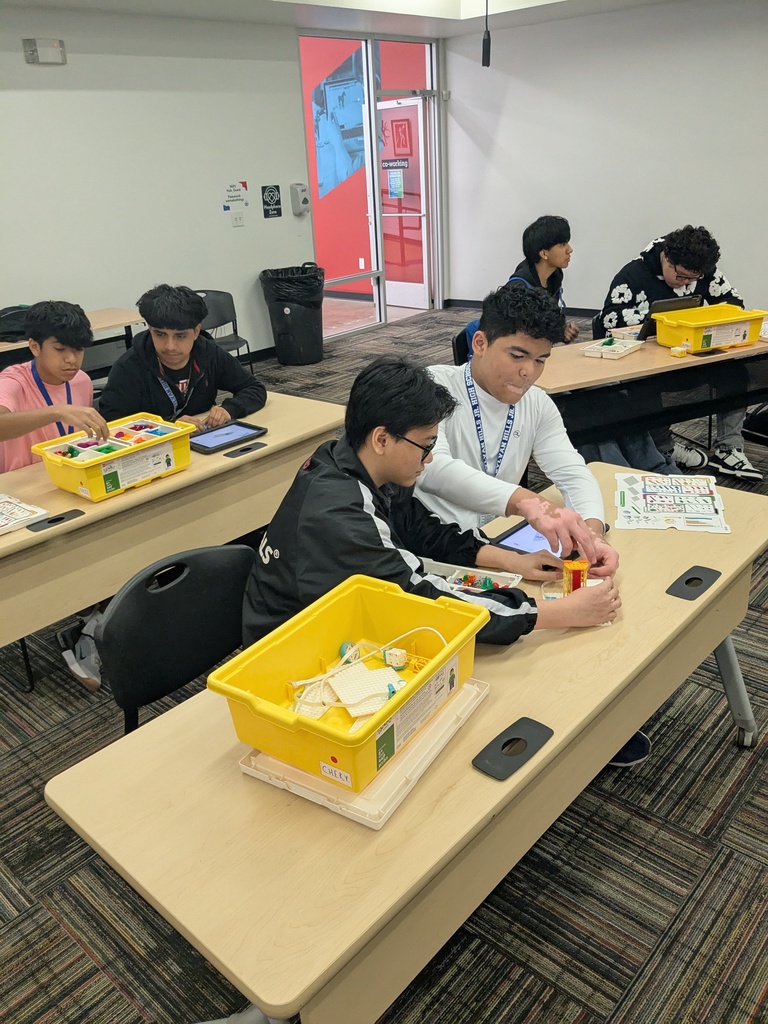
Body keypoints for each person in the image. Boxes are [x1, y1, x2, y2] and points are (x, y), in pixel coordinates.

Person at [243, 357, 621, 652]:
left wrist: (513, 561)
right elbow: (425, 600)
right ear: (381, 439)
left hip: (335, 621)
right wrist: (557, 613)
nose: (429, 458)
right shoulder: (340, 514)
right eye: (426, 445)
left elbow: (423, 530)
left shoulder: (350, 459)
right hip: (295, 650)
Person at [418, 282, 618, 578]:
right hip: (437, 550)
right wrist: (529, 502)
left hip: (499, 545)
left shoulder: (536, 403)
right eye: (517, 356)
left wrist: (592, 534)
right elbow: (435, 469)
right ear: (480, 344)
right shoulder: (433, 386)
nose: (529, 372)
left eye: (540, 360)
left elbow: (573, 472)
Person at [594, 225, 761, 480]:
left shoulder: (704, 273)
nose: (686, 284)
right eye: (681, 276)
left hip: (693, 358)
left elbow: (734, 305)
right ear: (666, 258)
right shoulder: (633, 275)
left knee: (736, 372)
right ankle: (664, 450)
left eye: (693, 280)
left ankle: (729, 448)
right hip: (651, 366)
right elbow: (609, 322)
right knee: (646, 385)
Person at [98, 284, 267, 427]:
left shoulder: (209, 353)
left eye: (180, 336)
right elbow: (114, 422)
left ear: (196, 332)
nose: (170, 346)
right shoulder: (128, 367)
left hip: (204, 439)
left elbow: (254, 388)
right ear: (149, 329)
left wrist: (230, 409)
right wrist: (168, 426)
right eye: (160, 334)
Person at [0, 300, 108, 474]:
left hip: (69, 473)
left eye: (78, 349)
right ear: (35, 347)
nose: (71, 359)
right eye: (60, 349)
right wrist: (56, 412)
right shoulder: (12, 382)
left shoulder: (82, 381)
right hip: (23, 484)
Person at [461, 215, 580, 359]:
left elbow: (537, 327)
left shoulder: (555, 277)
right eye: (562, 245)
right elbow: (515, 338)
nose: (570, 249)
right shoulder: (518, 289)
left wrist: (561, 332)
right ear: (544, 253)